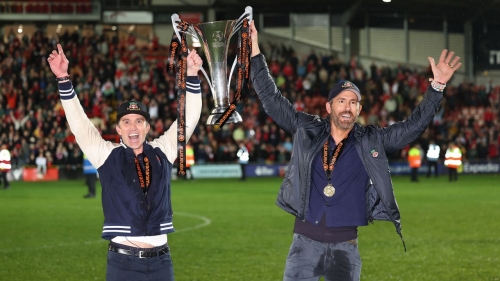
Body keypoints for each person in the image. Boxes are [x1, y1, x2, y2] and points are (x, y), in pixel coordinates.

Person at [249, 21, 461, 281]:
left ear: (359, 110)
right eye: (341, 101)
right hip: (303, 245)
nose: (347, 107)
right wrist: (254, 51)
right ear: (329, 107)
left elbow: (412, 127)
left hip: (346, 249)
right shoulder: (307, 129)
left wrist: (437, 87)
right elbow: (271, 99)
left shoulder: (371, 140)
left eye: (353, 102)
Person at [47, 44, 203, 281]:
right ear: (118, 128)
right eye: (127, 122)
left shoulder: (163, 150)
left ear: (147, 127)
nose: (133, 127)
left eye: (139, 121)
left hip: (162, 261)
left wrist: (192, 75)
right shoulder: (105, 155)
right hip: (123, 264)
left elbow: (189, 119)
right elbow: (79, 125)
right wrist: (63, 79)